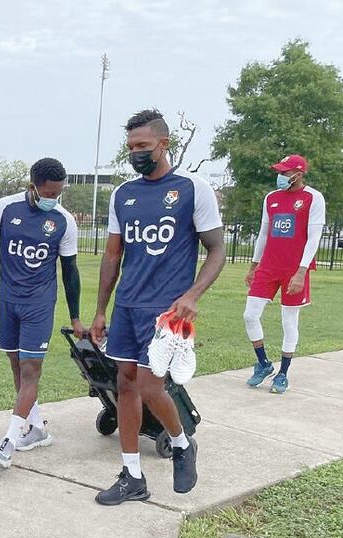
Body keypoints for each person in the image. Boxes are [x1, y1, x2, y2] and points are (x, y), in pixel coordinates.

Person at [89, 109, 225, 506]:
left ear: (163, 144)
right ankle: (132, 475)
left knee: (151, 386)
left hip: (166, 311)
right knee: (125, 385)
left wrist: (193, 295)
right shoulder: (122, 194)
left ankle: (182, 443)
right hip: (127, 305)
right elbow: (112, 256)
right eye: (131, 146)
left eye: (143, 145)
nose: (136, 153)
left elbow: (217, 249)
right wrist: (101, 310)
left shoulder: (193, 189)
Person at [0, 157, 83, 468]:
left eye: (58, 193)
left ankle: (9, 442)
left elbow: (70, 271)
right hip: (8, 300)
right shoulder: (4, 208)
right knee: (17, 364)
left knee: (31, 369)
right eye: (49, 193)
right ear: (32, 187)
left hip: (39, 304)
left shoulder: (64, 221)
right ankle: (38, 428)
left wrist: (75, 316)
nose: (53, 198)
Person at [243, 154, 326, 392]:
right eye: (279, 172)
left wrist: (301, 272)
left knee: (289, 320)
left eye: (284, 172)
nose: (280, 176)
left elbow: (314, 238)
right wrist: (254, 266)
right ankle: (263, 363)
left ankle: (283, 373)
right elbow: (264, 233)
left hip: (294, 268)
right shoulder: (271, 198)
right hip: (268, 266)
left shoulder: (313, 198)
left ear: (298, 174)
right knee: (250, 315)